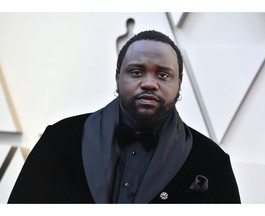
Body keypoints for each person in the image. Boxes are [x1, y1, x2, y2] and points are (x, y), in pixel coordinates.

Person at [8, 30, 241, 204]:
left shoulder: (213, 161)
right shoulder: (59, 140)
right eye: (136, 72)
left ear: (179, 82)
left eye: (162, 74)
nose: (149, 83)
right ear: (118, 77)